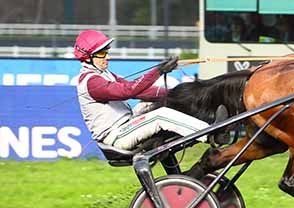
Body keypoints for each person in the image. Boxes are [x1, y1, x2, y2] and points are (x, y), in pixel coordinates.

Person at [74, 29, 227, 151]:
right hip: (116, 136)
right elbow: (128, 91)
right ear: (87, 57)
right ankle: (211, 134)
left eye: (106, 52)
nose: (106, 57)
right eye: (101, 53)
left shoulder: (103, 74)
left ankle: (205, 118)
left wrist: (176, 94)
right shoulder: (92, 82)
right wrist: (158, 71)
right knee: (161, 115)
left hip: (126, 123)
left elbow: (140, 91)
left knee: (148, 104)